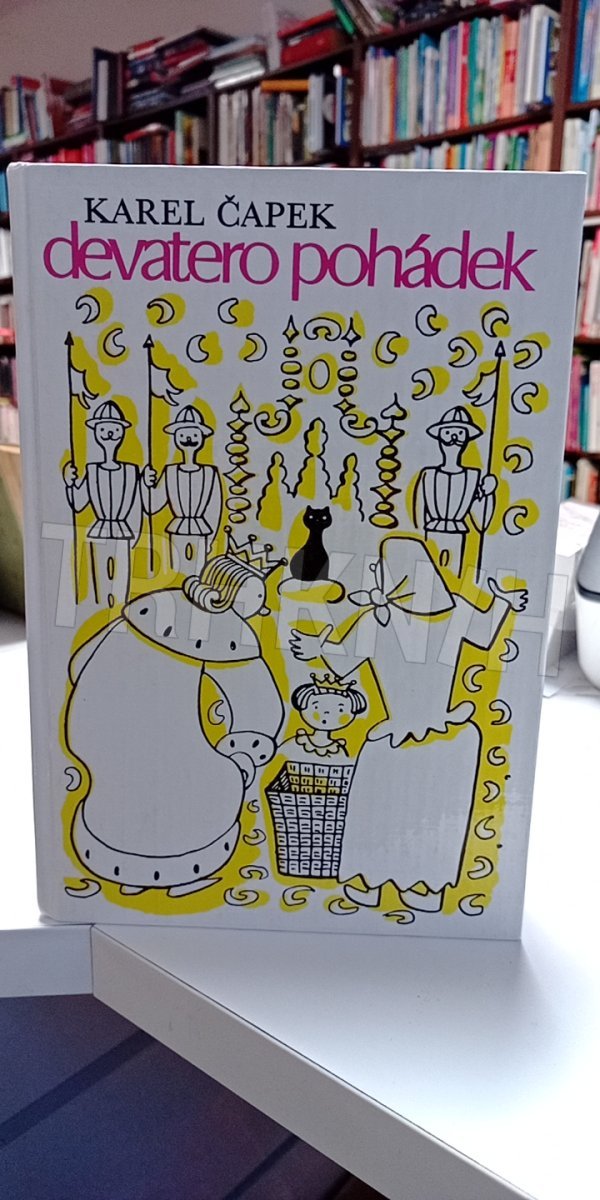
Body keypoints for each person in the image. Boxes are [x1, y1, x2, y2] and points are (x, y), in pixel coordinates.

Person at [290, 534, 527, 914]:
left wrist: (317, 647)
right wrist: (504, 602)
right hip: (442, 737)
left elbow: (339, 662)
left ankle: (381, 883)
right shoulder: (430, 614)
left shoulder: (385, 618)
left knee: (402, 808)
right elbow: (486, 631)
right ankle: (410, 886)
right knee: (413, 808)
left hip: (406, 737)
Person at [66, 532, 285, 899]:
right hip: (175, 765)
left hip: (100, 753)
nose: (261, 609)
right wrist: (244, 755)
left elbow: (78, 665)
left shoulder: (148, 609)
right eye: (258, 599)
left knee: (128, 790)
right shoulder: (227, 633)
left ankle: (128, 872)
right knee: (195, 785)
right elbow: (261, 709)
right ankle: (181, 872)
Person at [63, 399, 141, 608]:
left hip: (123, 531)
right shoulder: (92, 470)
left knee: (121, 583)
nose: (109, 434)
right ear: (96, 433)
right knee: (101, 583)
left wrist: (137, 533)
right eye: (103, 429)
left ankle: (120, 615)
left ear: (122, 433)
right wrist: (69, 483)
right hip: (99, 530)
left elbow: (138, 505)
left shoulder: (131, 471)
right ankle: (101, 613)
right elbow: (79, 503)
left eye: (114, 429)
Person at [412, 405, 497, 574]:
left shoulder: (473, 476)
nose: (453, 439)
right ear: (440, 436)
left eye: (459, 434)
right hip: (430, 533)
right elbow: (418, 513)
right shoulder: (428, 474)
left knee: (451, 574)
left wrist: (487, 494)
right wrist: (418, 538)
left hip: (458, 534)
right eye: (447, 433)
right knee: (426, 574)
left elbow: (481, 521)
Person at [143, 404, 222, 575]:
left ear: (201, 438)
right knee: (176, 572)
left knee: (199, 573)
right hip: (177, 530)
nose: (188, 439)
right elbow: (152, 506)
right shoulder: (170, 472)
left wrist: (211, 539)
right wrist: (145, 484)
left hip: (201, 531)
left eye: (194, 434)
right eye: (183, 435)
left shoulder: (209, 473)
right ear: (176, 438)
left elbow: (214, 509)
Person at [279, 672, 367, 761]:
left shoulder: (337, 749)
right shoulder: (297, 742)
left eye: (340, 710)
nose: (327, 713)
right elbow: (279, 760)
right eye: (316, 707)